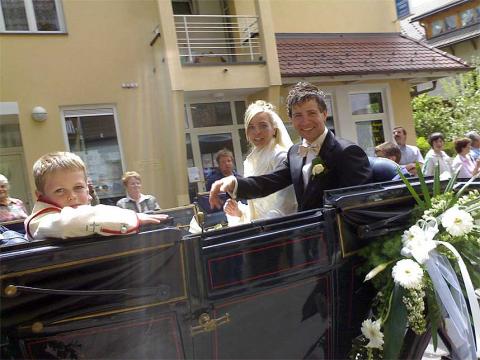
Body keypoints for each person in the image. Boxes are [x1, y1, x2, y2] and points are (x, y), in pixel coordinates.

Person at [209, 82, 371, 212]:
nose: (305, 122)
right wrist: (233, 182)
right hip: (309, 241)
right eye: (298, 115)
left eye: (312, 113)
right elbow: (269, 183)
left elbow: (358, 207)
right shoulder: (294, 152)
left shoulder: (347, 152)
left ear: (324, 114)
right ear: (291, 120)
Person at [25, 152, 168, 241]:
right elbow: (68, 223)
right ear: (40, 196)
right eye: (60, 190)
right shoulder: (39, 221)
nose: (72, 196)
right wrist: (133, 218)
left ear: (88, 190)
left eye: (78, 188)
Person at [223, 100, 297, 225]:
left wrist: (260, 228)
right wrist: (239, 212)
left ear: (274, 129)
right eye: (251, 127)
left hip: (280, 229)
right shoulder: (250, 160)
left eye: (263, 126)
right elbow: (257, 208)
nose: (257, 132)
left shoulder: (281, 156)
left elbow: (286, 205)